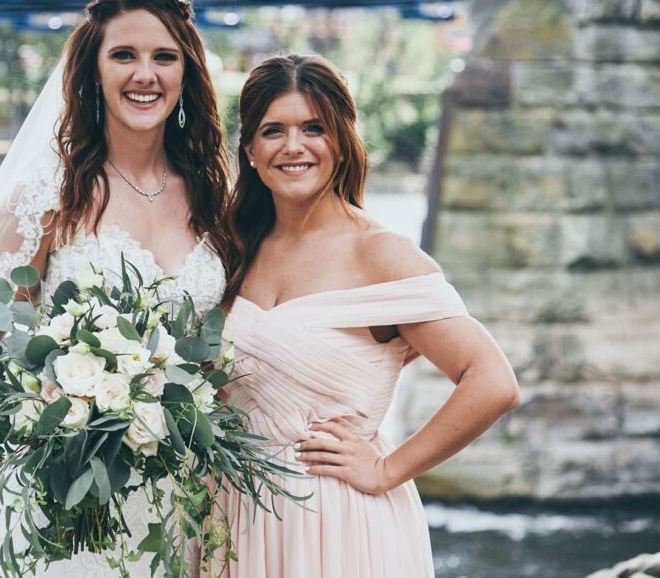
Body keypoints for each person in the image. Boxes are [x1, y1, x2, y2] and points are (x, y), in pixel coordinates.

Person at [0, 0, 231, 576]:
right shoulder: (47, 195)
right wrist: (62, 409)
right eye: (124, 55)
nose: (145, 75)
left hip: (191, 497)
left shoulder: (215, 196)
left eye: (164, 58)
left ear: (186, 73)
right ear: (93, 70)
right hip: (73, 505)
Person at [209, 54, 520, 577]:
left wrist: (386, 469)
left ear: (341, 141)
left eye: (314, 128)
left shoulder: (380, 254)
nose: (293, 147)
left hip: (337, 522)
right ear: (250, 150)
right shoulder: (233, 248)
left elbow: (493, 382)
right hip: (236, 511)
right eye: (273, 131)